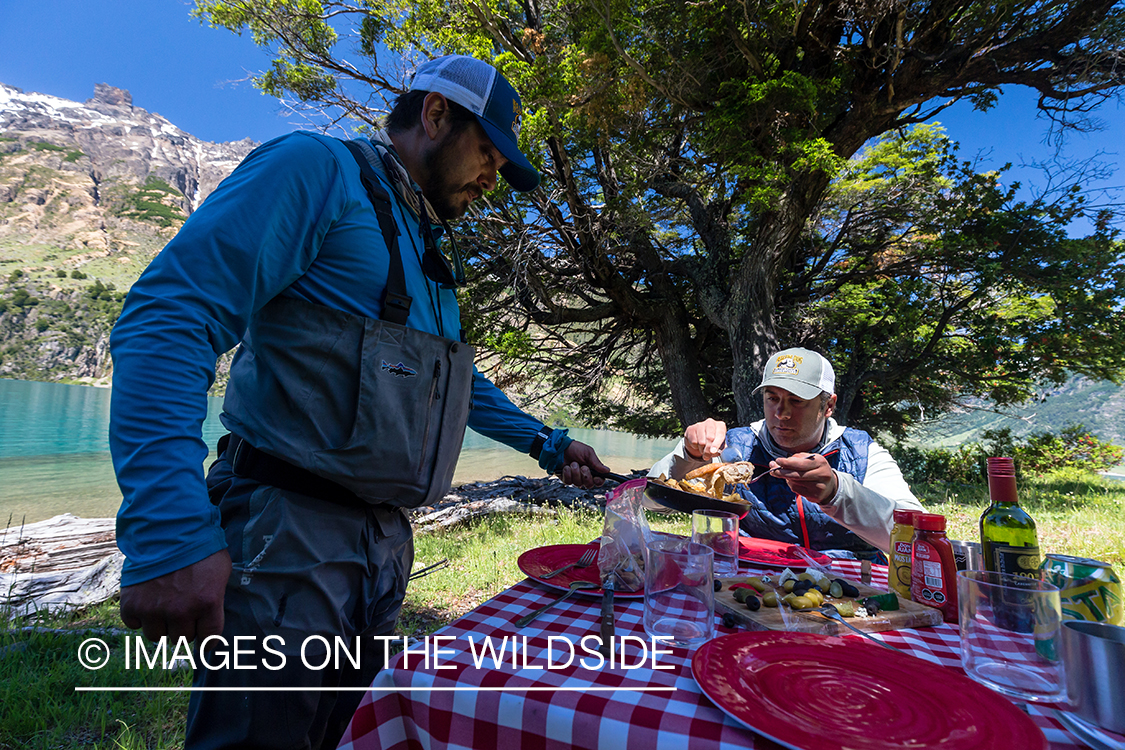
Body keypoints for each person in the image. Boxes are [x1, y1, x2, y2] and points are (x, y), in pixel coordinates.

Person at [109, 55, 609, 750]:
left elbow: (446, 384)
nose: (492, 179)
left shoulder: (423, 241)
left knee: (350, 735)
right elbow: (170, 316)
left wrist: (547, 445)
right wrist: (166, 531)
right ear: (435, 116)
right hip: (286, 540)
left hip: (380, 546)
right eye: (487, 152)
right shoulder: (318, 170)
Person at [649, 347, 922, 557]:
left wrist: (837, 492)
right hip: (752, 581)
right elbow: (652, 501)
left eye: (797, 401)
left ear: (828, 406)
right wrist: (688, 454)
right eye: (772, 398)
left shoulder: (861, 451)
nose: (781, 413)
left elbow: (916, 538)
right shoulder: (733, 448)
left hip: (849, 587)